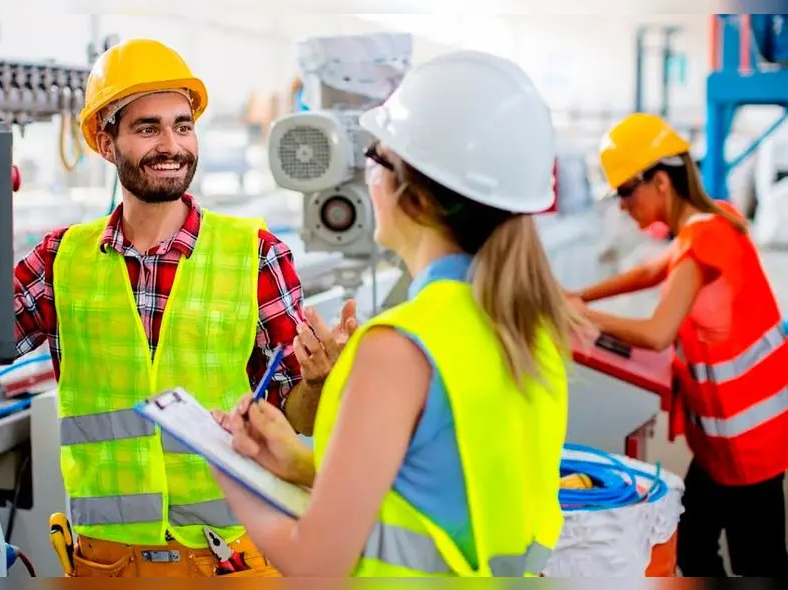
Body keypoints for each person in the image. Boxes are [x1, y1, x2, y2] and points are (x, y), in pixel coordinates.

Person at [209, 50, 577, 577]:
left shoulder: (398, 349)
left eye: (375, 159)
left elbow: (315, 565)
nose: (367, 178)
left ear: (415, 195)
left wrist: (228, 470)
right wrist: (299, 464)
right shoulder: (528, 324)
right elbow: (443, 493)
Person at [10, 39, 327, 578]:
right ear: (106, 142)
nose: (171, 145)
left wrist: (317, 381)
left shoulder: (256, 254)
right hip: (107, 563)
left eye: (183, 126)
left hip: (229, 558)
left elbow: (298, 416)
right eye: (147, 128)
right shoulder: (59, 260)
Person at [565, 112, 788, 577]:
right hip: (723, 441)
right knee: (693, 548)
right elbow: (654, 270)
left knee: (757, 562)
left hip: (749, 444)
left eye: (624, 191)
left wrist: (577, 315)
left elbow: (657, 332)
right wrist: (580, 296)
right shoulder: (713, 220)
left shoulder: (706, 238)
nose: (622, 206)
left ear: (660, 181)